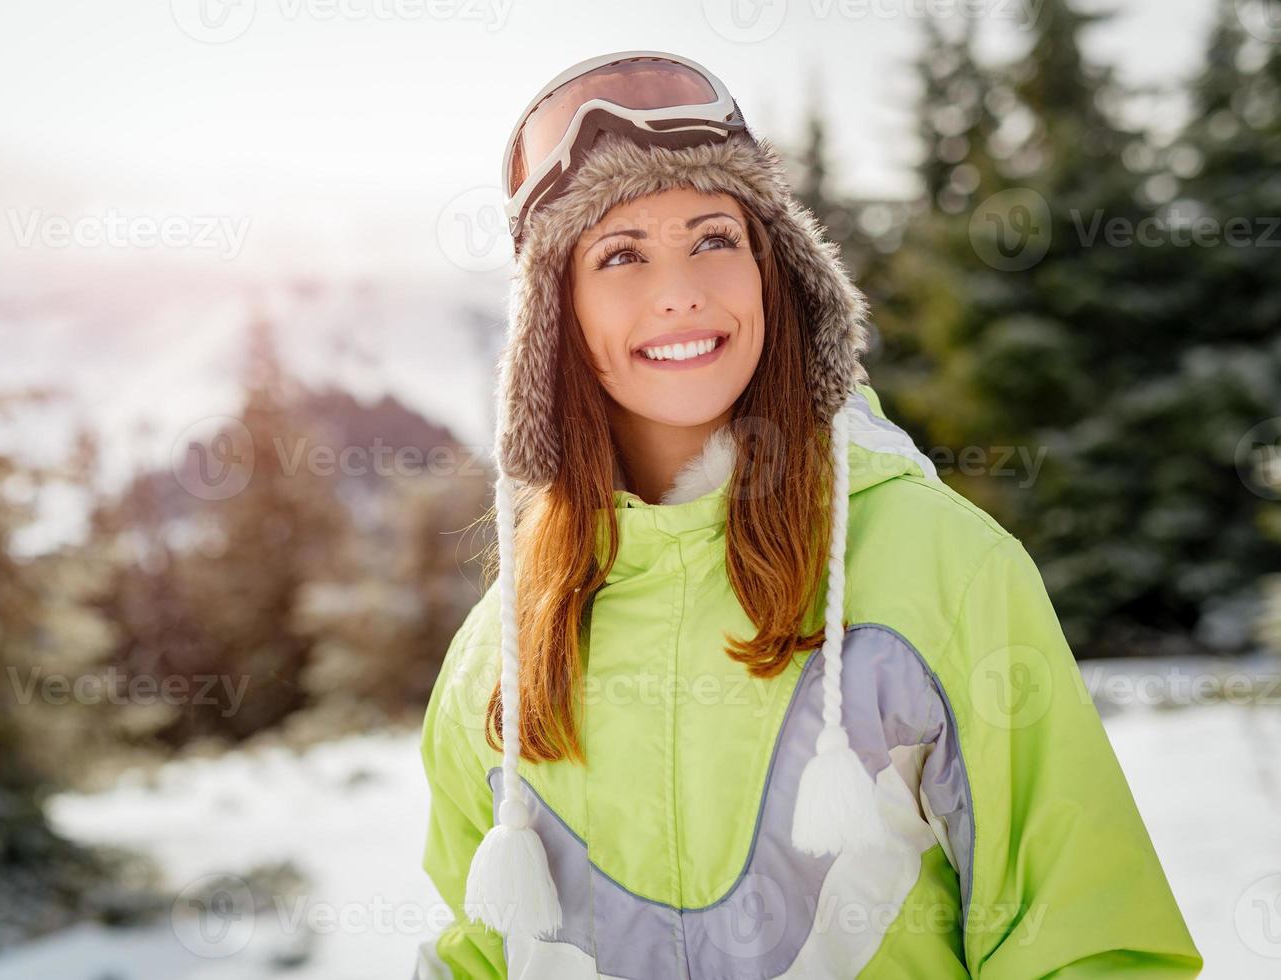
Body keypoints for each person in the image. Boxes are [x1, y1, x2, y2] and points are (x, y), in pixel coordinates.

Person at [414, 51, 1203, 979]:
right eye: (619, 254)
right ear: (557, 314)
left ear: (774, 275)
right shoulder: (496, 654)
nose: (681, 290)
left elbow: (1086, 939)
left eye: (714, 237)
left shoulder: (942, 567)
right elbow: (481, 947)